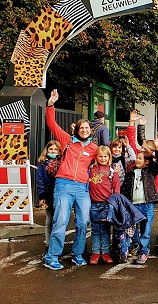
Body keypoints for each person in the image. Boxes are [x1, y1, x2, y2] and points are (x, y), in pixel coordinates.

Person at [43, 89, 98, 271]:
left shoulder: (93, 148)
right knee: (61, 220)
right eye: (81, 128)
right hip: (64, 185)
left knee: (83, 222)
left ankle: (77, 254)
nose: (84, 130)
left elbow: (107, 158)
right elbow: (52, 124)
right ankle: (52, 256)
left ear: (91, 131)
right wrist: (51, 105)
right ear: (76, 129)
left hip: (82, 187)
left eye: (87, 128)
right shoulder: (67, 141)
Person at [121, 148, 158, 264]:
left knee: (146, 229)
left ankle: (143, 252)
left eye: (140, 158)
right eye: (137, 158)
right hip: (133, 205)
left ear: (147, 161)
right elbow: (125, 188)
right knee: (131, 229)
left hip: (147, 204)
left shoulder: (150, 171)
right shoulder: (131, 172)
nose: (137, 160)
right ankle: (130, 248)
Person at [88, 145, 121, 265]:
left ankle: (106, 252)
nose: (103, 159)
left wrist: (114, 203)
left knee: (106, 229)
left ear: (109, 157)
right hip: (93, 204)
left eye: (105, 156)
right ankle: (96, 252)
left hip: (106, 204)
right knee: (96, 230)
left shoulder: (112, 170)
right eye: (100, 156)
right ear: (96, 157)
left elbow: (116, 188)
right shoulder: (91, 168)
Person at [36, 140, 60, 251]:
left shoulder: (62, 162)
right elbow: (40, 180)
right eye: (51, 149)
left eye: (55, 149)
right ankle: (49, 243)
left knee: (59, 220)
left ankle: (57, 243)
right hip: (48, 194)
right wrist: (42, 196)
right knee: (49, 220)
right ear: (47, 150)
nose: (53, 151)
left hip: (59, 194)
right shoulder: (42, 163)